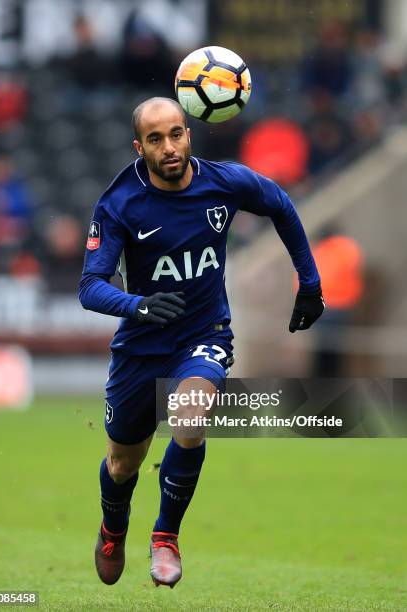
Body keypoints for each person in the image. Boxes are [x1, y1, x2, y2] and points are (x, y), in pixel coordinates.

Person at [78, 97, 324, 588]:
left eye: (175, 134)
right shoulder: (121, 202)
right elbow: (90, 285)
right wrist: (137, 305)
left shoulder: (224, 182)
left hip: (204, 333)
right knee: (122, 463)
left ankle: (166, 534)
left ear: (189, 134)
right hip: (141, 347)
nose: (168, 147)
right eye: (155, 139)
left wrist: (310, 281)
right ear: (139, 147)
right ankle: (113, 525)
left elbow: (281, 204)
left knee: (191, 418)